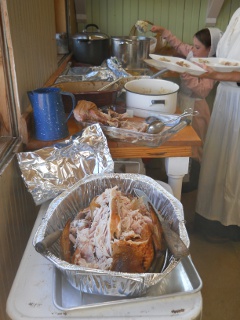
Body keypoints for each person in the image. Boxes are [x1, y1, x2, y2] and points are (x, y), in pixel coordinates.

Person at [194, 7, 240, 242]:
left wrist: (217, 75)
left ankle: (232, 224)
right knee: (218, 157)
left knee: (234, 163)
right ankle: (211, 217)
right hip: (225, 96)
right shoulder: (237, 14)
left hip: (238, 98)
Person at [150, 25, 222, 163]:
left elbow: (203, 90)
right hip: (182, 102)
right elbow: (179, 45)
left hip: (197, 109)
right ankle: (180, 173)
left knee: (194, 144)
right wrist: (164, 32)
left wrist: (185, 74)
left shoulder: (211, 68)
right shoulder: (192, 53)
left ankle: (194, 176)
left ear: (210, 49)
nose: (193, 49)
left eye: (197, 47)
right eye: (193, 45)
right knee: (179, 140)